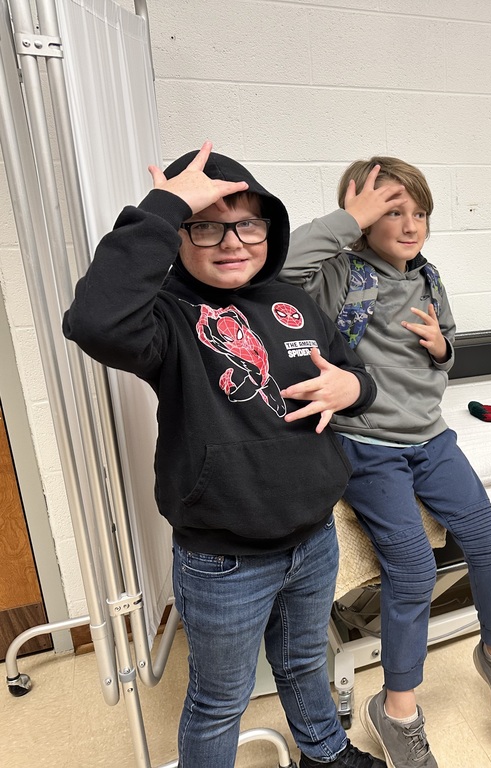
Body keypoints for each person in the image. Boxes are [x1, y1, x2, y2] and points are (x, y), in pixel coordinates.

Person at [63, 143, 384, 768]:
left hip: (314, 537)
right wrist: (164, 206)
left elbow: (352, 376)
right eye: (206, 225)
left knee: (302, 662)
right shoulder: (167, 318)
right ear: (180, 235)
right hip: (225, 559)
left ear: (270, 228)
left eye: (247, 223)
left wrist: (354, 388)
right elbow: (95, 321)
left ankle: (325, 752)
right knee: (219, 700)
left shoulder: (294, 301)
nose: (232, 241)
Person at [282, 156, 491, 768]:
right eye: (391, 210)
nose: (411, 223)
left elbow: (449, 350)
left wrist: (443, 347)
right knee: (415, 570)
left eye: (418, 211)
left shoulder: (427, 276)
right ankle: (398, 710)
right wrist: (349, 219)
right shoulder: (339, 273)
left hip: (432, 437)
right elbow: (281, 271)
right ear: (359, 216)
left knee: (488, 544)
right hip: (368, 443)